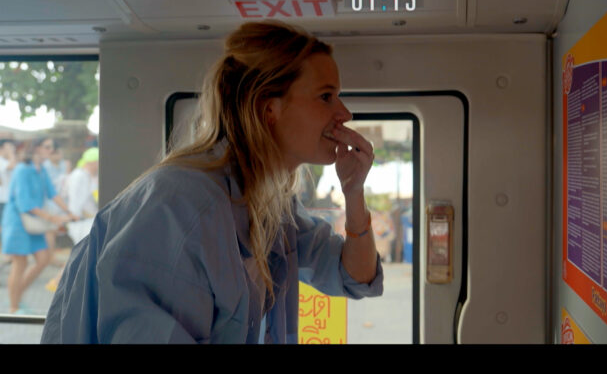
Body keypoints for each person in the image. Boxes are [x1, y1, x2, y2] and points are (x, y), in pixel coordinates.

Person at [41, 20, 383, 343]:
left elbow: (355, 276)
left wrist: (353, 193)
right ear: (268, 109)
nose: (344, 113)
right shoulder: (182, 206)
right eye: (326, 96)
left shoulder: (270, 205)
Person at [1, 137, 78, 314]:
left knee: (43, 259)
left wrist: (69, 211)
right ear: (36, 148)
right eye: (47, 147)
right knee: (19, 263)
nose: (51, 150)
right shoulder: (22, 170)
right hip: (18, 222)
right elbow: (24, 203)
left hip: (34, 221)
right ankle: (14, 307)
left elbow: (52, 193)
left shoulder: (40, 169)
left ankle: (16, 296)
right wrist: (53, 218)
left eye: (52, 147)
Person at [45, 147, 99, 292]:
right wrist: (75, 216)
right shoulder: (79, 176)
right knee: (81, 254)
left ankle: (58, 283)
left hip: (83, 220)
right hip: (80, 222)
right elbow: (76, 202)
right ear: (92, 162)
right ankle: (58, 283)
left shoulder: (84, 176)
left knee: (80, 254)